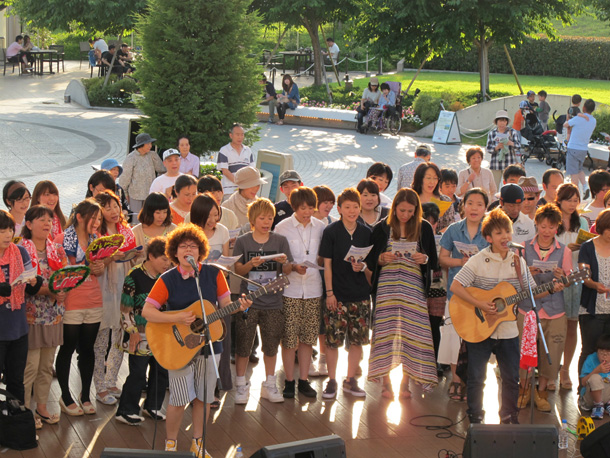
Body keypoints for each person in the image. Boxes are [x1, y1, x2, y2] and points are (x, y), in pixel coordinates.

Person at [142, 224, 251, 455]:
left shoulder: (214, 273)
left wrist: (240, 307)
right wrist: (178, 316)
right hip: (177, 348)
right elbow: (147, 311)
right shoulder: (167, 279)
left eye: (193, 246)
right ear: (174, 251)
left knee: (204, 397)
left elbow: (224, 308)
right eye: (183, 246)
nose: (188, 249)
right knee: (179, 399)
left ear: (200, 250)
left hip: (210, 346)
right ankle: (170, 443)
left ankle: (198, 443)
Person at [450, 208, 562, 425]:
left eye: (508, 232)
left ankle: (509, 417)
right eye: (499, 233)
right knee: (477, 377)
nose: (505, 237)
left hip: (508, 329)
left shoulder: (518, 261)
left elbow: (531, 291)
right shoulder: (478, 260)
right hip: (479, 327)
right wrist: (481, 304)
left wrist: (552, 288)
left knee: (511, 378)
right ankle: (475, 417)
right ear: (489, 238)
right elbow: (456, 285)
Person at [366, 188, 439, 398]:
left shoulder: (424, 227)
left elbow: (432, 261)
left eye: (410, 211)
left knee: (413, 333)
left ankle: (406, 382)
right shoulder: (382, 227)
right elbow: (370, 260)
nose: (405, 215)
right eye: (401, 210)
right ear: (394, 208)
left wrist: (422, 259)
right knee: (385, 332)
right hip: (387, 287)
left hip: (413, 285)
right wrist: (381, 258)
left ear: (416, 210)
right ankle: (386, 381)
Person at [232, 198, 292, 404]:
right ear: (252, 219)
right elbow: (237, 270)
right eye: (262, 218)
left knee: (271, 345)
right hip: (247, 301)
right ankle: (241, 385)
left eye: (270, 218)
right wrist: (251, 263)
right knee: (243, 345)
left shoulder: (280, 241)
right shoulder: (243, 241)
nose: (267, 222)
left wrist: (284, 263)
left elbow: (287, 271)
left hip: (274, 302)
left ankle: (269, 384)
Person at [319, 188, 372, 399]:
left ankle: (351, 380)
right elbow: (327, 265)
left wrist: (364, 266)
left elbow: (371, 264)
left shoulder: (366, 232)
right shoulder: (331, 231)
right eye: (347, 207)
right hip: (337, 295)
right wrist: (330, 293)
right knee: (333, 340)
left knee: (357, 341)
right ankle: (331, 380)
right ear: (339, 209)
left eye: (355, 207)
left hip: (360, 294)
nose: (352, 211)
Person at [55, 199, 105, 416]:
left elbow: (100, 271)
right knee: (67, 348)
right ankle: (65, 396)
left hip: (93, 299)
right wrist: (84, 267)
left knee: (88, 349)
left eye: (99, 219)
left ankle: (85, 395)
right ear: (79, 217)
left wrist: (100, 267)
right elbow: (59, 272)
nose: (97, 223)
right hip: (71, 301)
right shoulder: (62, 239)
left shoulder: (99, 240)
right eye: (93, 218)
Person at [519, 203, 571, 412]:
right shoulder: (523, 247)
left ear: (557, 228)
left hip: (554, 310)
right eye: (543, 226)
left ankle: (542, 393)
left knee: (551, 352)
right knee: (525, 352)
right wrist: (527, 272)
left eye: (552, 227)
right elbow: (517, 279)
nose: (547, 231)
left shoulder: (564, 250)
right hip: (527, 309)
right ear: (536, 225)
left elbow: (569, 279)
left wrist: (562, 278)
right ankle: (523, 390)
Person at [439, 188, 490, 401]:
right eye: (470, 203)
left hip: (481, 294)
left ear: (485, 208)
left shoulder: (489, 231)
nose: (474, 208)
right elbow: (442, 259)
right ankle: (456, 380)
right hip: (456, 292)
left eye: (479, 204)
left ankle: (474, 382)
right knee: (453, 337)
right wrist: (461, 262)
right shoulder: (453, 230)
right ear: (463, 206)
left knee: (477, 339)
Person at [275, 187, 325, 399]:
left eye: (311, 207)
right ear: (294, 207)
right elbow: (277, 259)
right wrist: (293, 266)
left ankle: (303, 381)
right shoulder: (282, 227)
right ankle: (288, 380)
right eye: (303, 208)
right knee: (288, 339)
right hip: (290, 290)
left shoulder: (322, 227)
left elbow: (324, 257)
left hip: (314, 289)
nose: (307, 212)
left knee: (308, 338)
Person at [115, 237, 171, 425]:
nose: (168, 263)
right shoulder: (134, 275)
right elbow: (125, 308)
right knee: (138, 371)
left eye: (169, 259)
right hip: (139, 332)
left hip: (162, 332)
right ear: (151, 256)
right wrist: (132, 331)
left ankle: (153, 405)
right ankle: (126, 409)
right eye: (164, 259)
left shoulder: (167, 277)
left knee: (161, 370)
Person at [21, 206, 68, 427]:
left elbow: (66, 277)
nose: (47, 223)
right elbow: (23, 285)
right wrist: (50, 290)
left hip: (53, 315)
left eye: (50, 219)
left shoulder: (57, 249)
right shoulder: (20, 250)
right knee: (30, 365)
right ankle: (23, 411)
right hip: (30, 316)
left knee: (47, 365)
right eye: (41, 219)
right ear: (29, 224)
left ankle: (41, 407)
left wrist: (64, 290)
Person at [92, 191, 135, 406]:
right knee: (101, 339)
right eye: (107, 207)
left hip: (125, 285)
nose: (114, 211)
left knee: (120, 336)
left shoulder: (126, 230)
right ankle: (99, 385)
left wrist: (132, 255)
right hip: (104, 287)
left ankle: (111, 381)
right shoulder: (96, 235)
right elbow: (95, 264)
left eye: (116, 206)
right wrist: (111, 257)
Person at [0, 209, 42, 408]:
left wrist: (35, 282)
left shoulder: (20, 252)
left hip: (18, 328)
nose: (8, 235)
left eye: (9, 229)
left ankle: (15, 422)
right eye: (2, 231)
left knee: (16, 379)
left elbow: (31, 287)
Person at [555, 183, 590, 389]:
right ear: (559, 200)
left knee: (571, 326)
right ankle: (548, 370)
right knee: (552, 326)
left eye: (576, 200)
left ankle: (565, 369)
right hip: (556, 277)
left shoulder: (582, 222)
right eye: (569, 199)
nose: (572, 204)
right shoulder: (551, 219)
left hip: (576, 278)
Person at [578, 210, 610, 378]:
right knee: (589, 350)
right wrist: (594, 284)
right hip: (592, 310)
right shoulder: (588, 247)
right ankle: (583, 391)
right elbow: (584, 275)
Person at [120, 133, 166, 215]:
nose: (150, 146)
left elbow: (162, 170)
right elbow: (124, 179)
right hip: (135, 196)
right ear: (141, 145)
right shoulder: (131, 158)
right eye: (148, 144)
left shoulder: (152, 155)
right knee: (136, 219)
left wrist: (159, 183)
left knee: (150, 218)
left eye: (150, 143)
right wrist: (125, 194)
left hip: (151, 194)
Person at [411, 162, 456, 233]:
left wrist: (437, 234)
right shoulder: (411, 199)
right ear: (420, 178)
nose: (432, 182)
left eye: (435, 178)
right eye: (428, 178)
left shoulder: (445, 200)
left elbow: (451, 226)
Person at [566, 99, 597, 199]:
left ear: (583, 108)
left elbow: (566, 124)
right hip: (583, 149)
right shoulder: (593, 120)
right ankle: (585, 186)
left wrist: (570, 118)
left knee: (573, 173)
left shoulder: (578, 119)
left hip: (573, 147)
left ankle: (575, 195)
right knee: (579, 169)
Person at [216, 123, 256, 196]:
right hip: (228, 190)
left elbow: (252, 170)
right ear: (231, 135)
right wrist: (239, 182)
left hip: (245, 191)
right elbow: (225, 171)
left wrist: (245, 185)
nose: (240, 137)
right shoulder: (224, 150)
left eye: (242, 134)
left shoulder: (248, 150)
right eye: (237, 134)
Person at [190, 194, 229, 263]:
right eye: (208, 216)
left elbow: (226, 263)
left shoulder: (222, 231)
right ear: (198, 215)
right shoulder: (190, 235)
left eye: (215, 215)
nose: (213, 220)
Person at [486, 110, 521, 188]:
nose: (502, 123)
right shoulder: (492, 133)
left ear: (506, 122)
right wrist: (497, 147)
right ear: (496, 122)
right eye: (500, 121)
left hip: (509, 164)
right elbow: (488, 148)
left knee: (511, 187)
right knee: (494, 187)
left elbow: (518, 146)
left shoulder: (512, 132)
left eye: (504, 121)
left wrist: (510, 143)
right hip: (496, 164)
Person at [579, 334, 610, 419]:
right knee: (595, 377)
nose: (604, 357)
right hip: (591, 398)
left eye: (608, 354)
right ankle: (598, 406)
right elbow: (583, 382)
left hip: (606, 395)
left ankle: (607, 404)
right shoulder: (591, 359)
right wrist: (597, 370)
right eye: (601, 353)